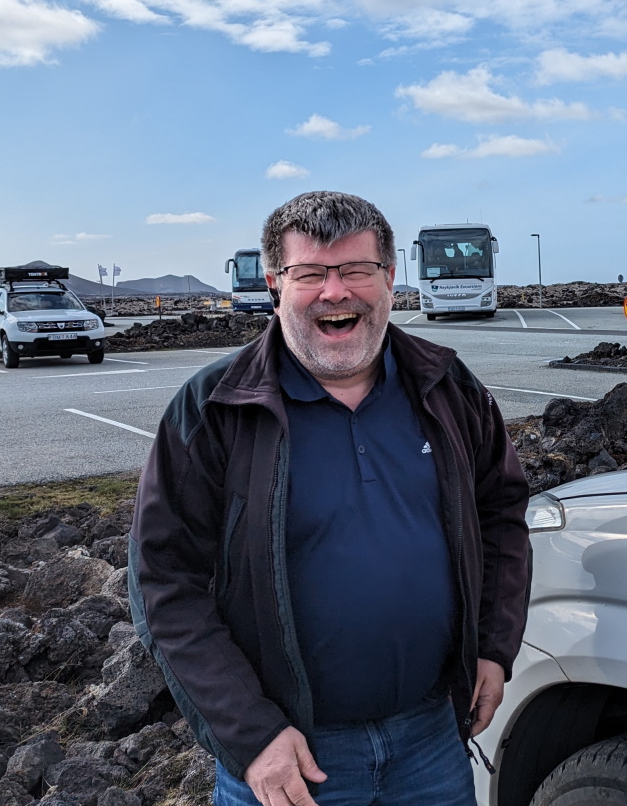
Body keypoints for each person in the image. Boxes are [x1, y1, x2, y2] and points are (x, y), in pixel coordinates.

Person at [128, 191, 531, 806]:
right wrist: (251, 734)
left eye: (356, 271)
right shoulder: (214, 409)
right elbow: (164, 582)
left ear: (390, 278)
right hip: (290, 758)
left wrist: (495, 648)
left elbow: (500, 515)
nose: (335, 292)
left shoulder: (449, 388)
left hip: (430, 744)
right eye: (310, 274)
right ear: (274, 283)